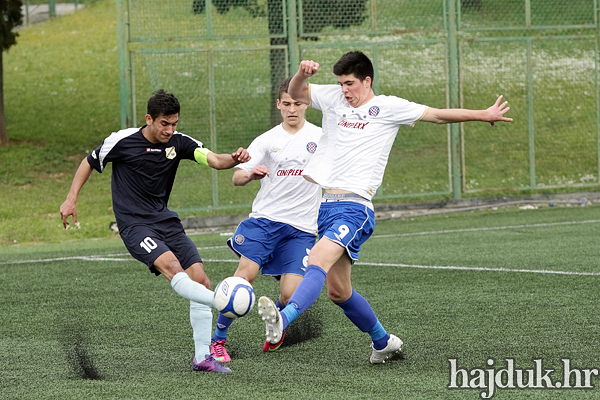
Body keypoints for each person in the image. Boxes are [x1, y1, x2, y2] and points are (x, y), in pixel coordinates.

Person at [257, 51, 513, 364]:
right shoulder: (335, 98)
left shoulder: (389, 107)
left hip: (354, 207)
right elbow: (296, 92)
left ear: (367, 80)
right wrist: (302, 74)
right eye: (340, 84)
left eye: (350, 83)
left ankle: (282, 321)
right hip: (325, 207)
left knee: (317, 262)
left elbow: (438, 115)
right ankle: (383, 341)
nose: (344, 90)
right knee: (339, 292)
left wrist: (482, 114)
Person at [59, 89, 251, 374]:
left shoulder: (179, 143)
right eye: (164, 124)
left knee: (201, 280)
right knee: (173, 267)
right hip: (134, 225)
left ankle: (202, 358)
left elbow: (215, 160)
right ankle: (224, 303)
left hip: (166, 222)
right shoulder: (122, 141)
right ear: (149, 119)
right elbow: (89, 161)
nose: (169, 130)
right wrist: (71, 197)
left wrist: (236, 158)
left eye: (174, 123)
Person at [210, 78, 322, 362]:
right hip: (265, 222)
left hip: (301, 230)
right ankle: (218, 341)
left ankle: (278, 325)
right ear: (278, 105)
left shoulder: (322, 138)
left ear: (307, 103)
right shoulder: (267, 139)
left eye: (298, 103)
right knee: (244, 277)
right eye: (286, 104)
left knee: (291, 293)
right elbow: (237, 177)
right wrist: (250, 174)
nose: (292, 109)